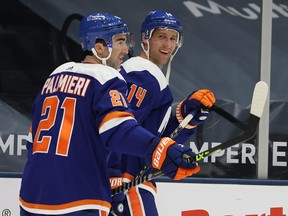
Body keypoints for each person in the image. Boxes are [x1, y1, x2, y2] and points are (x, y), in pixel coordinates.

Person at [18, 12, 201, 216]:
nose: (126, 49)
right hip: (78, 198)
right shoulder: (106, 77)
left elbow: (33, 138)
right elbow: (119, 130)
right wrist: (159, 149)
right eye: (120, 41)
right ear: (99, 47)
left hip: (31, 196)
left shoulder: (57, 74)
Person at [108, 10, 216, 216]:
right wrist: (113, 177)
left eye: (173, 38)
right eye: (161, 37)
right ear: (145, 38)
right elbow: (118, 128)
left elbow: (155, 137)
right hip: (127, 183)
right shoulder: (143, 74)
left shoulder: (148, 75)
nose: (167, 45)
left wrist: (185, 117)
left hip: (136, 180)